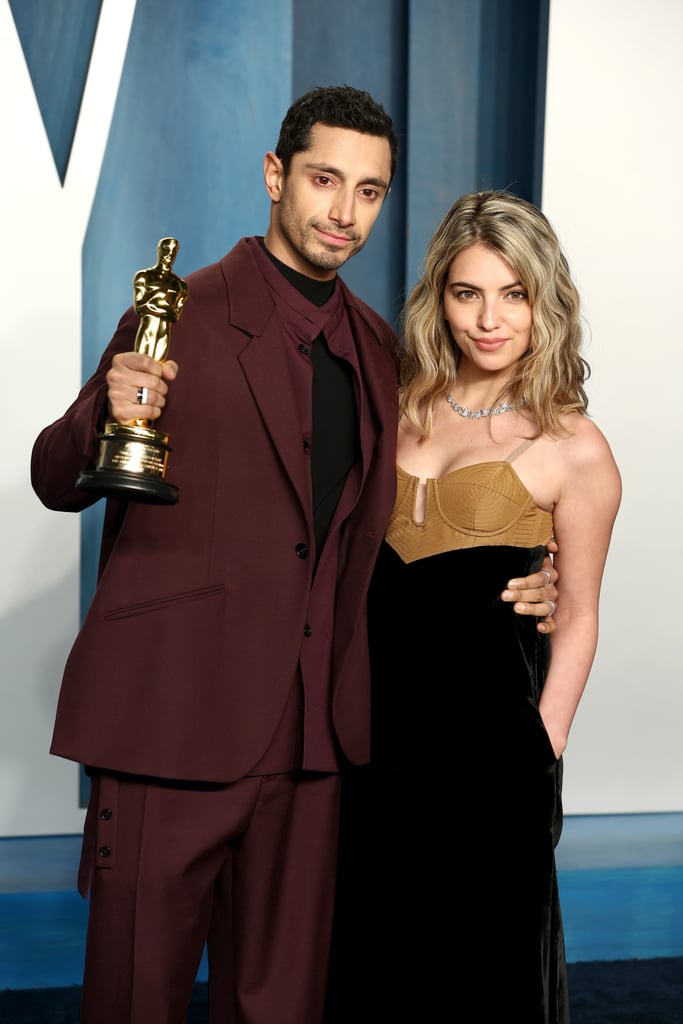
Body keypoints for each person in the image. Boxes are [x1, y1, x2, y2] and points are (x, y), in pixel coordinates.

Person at [31, 91, 558, 1024]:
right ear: (276, 178)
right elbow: (54, 475)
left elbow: (407, 521)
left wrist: (521, 568)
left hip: (315, 748)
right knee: (133, 1000)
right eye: (323, 181)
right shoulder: (181, 311)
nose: (343, 212)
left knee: (281, 1010)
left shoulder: (377, 350)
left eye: (368, 190)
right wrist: (104, 416)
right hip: (173, 725)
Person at [326, 190, 621, 1023]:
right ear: (439, 299)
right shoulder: (391, 406)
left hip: (489, 758)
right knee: (369, 963)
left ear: (543, 300)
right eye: (467, 293)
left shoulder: (572, 445)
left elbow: (581, 612)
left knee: (480, 973)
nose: (488, 319)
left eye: (512, 294)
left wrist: (544, 738)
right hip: (370, 743)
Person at [132, 235, 189, 364]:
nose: (170, 254)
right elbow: (140, 306)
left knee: (158, 369)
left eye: (173, 251)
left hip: (163, 333)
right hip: (147, 329)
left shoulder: (180, 285)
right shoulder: (144, 276)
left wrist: (153, 303)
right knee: (140, 366)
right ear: (160, 250)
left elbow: (175, 315)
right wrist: (166, 308)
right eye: (167, 249)